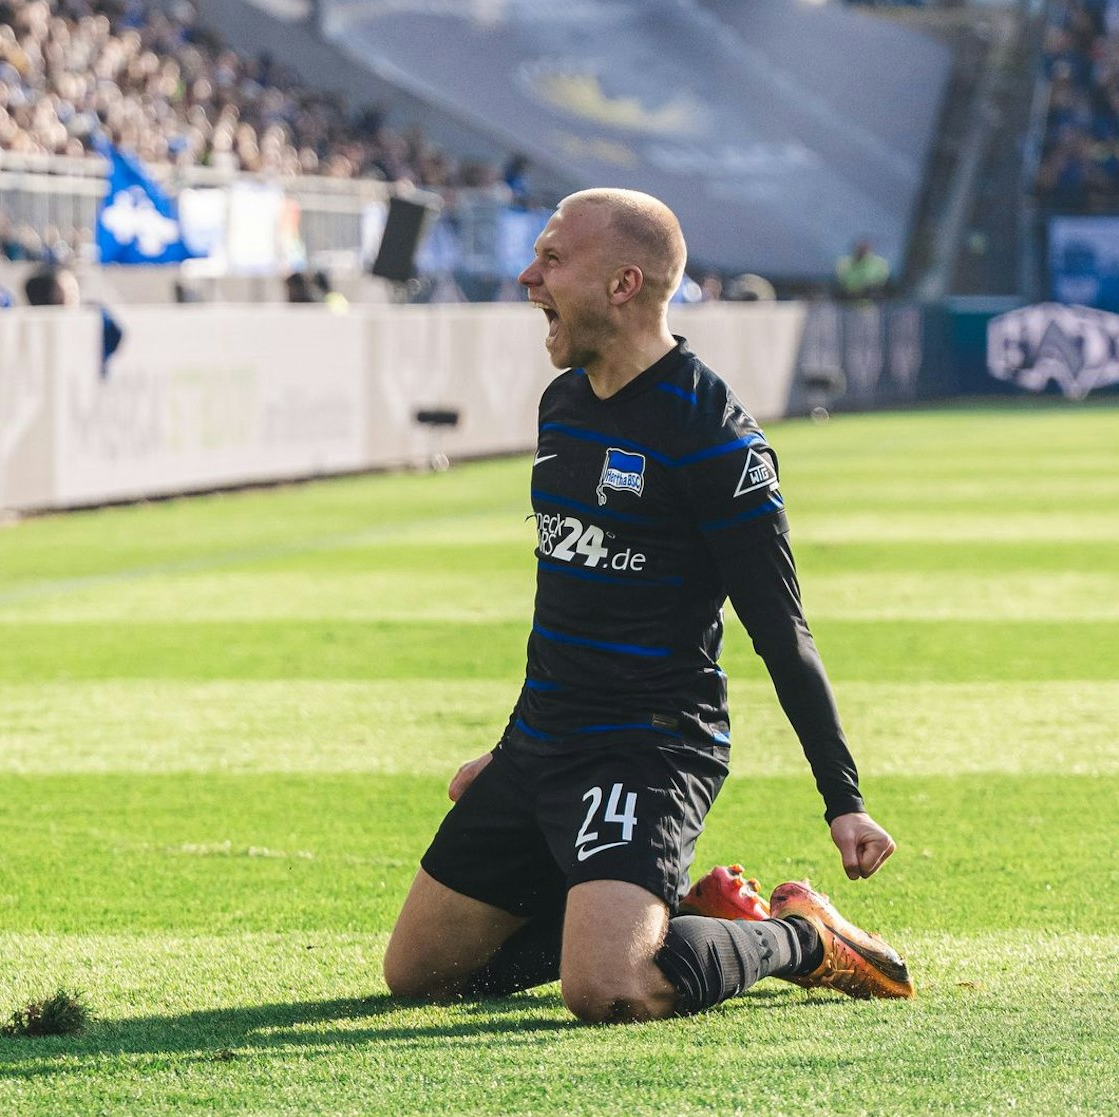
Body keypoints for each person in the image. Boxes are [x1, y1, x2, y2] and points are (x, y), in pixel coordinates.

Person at [382, 188, 912, 1024]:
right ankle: (662, 915)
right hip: (542, 742)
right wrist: (509, 748)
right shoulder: (563, 404)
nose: (528, 277)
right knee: (419, 975)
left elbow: (781, 629)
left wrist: (842, 799)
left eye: (553, 260)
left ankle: (800, 937)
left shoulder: (712, 434)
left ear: (624, 284)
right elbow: (569, 605)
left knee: (607, 989)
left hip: (646, 748)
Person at [24, 262, 124, 370]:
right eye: (63, 290)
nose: (70, 294)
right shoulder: (35, 326)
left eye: (72, 289)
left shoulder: (96, 316)